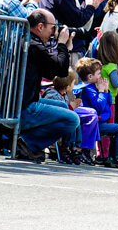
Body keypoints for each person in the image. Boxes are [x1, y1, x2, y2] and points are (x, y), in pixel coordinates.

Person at [16, 10, 80, 163]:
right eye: (53, 27)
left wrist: (65, 48)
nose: (54, 31)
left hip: (20, 103)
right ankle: (28, 142)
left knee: (62, 106)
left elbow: (54, 71)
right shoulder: (33, 46)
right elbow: (60, 70)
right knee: (73, 119)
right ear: (40, 27)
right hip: (23, 108)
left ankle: (26, 142)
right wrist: (62, 44)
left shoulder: (27, 41)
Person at [76, 57, 118, 169]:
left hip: (100, 122)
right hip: (95, 124)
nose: (100, 76)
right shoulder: (88, 90)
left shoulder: (94, 87)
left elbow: (107, 104)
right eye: (98, 74)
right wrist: (102, 92)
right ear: (90, 76)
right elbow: (99, 106)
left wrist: (106, 91)